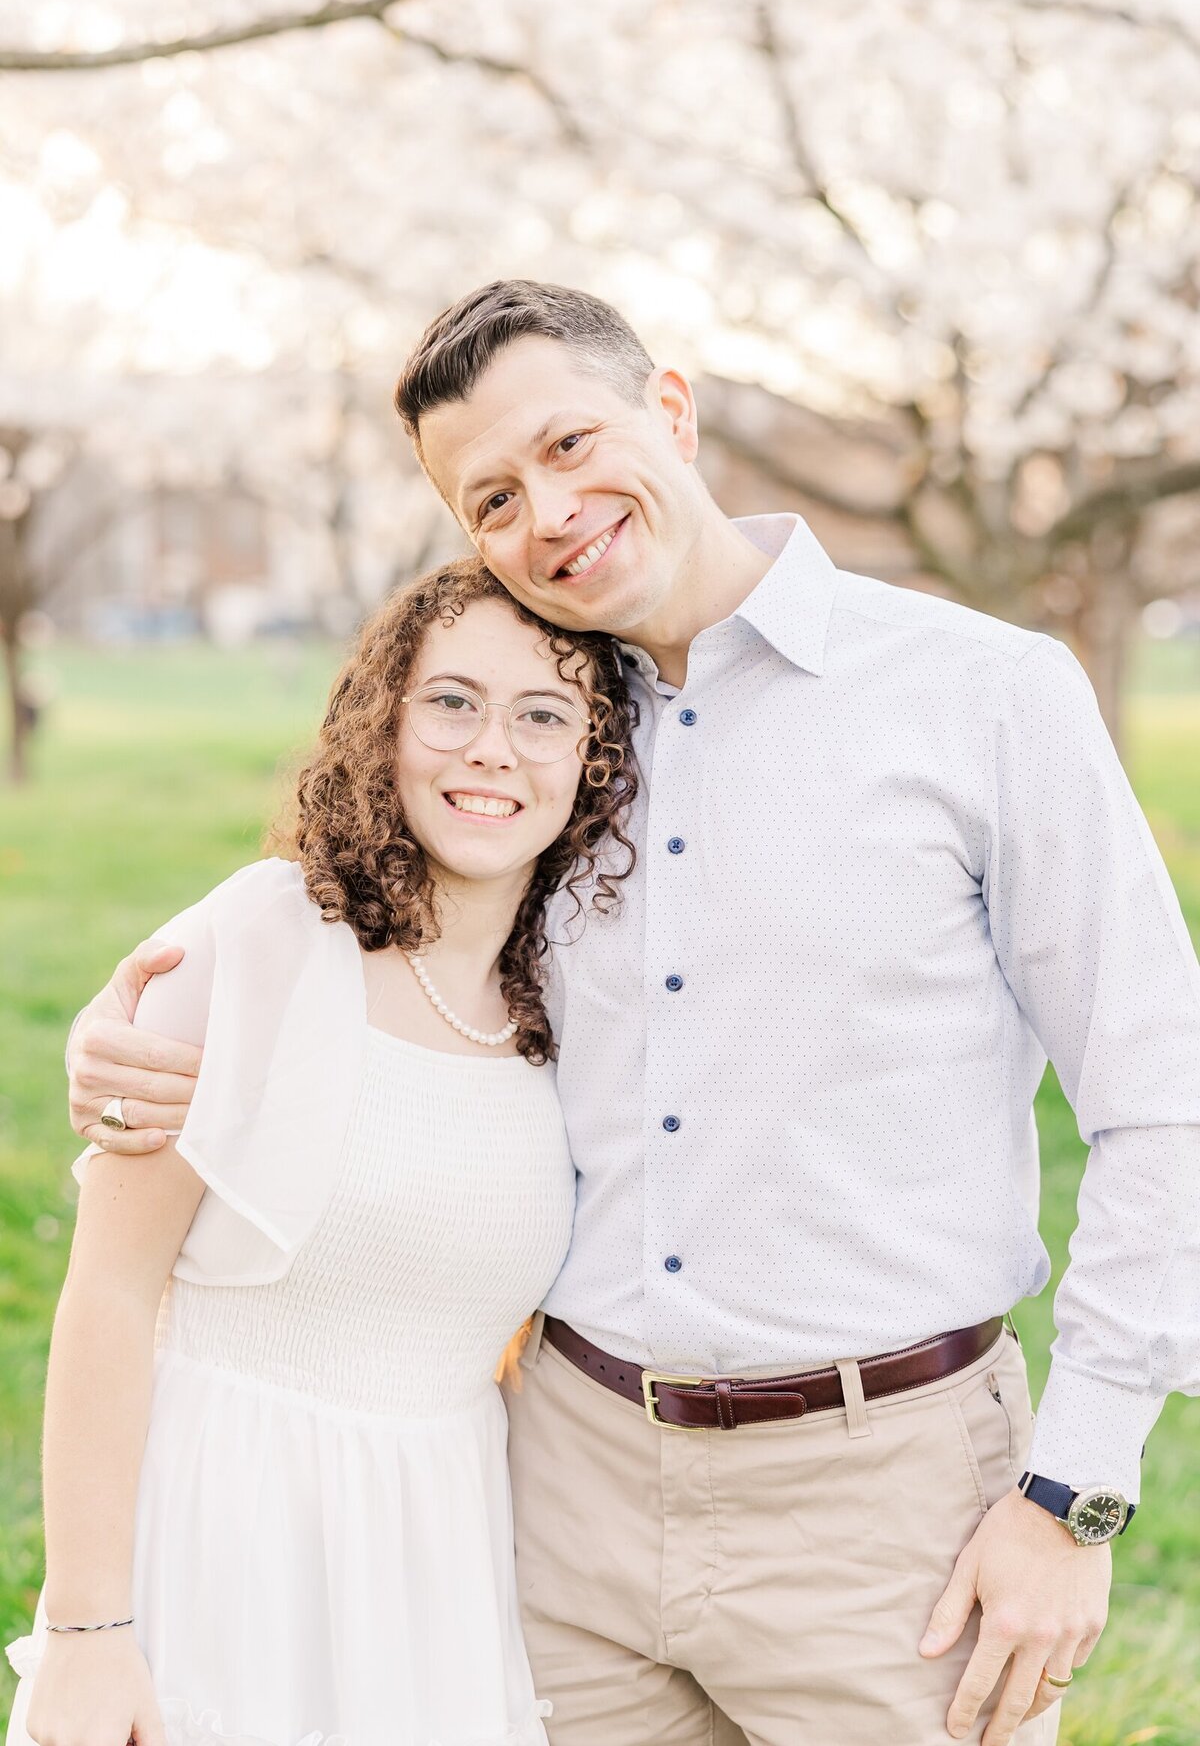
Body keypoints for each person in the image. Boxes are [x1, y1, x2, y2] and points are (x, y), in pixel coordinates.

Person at [63, 283, 1200, 1746]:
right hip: (561, 1491)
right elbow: (357, 925)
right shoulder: (538, 732)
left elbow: (1164, 1095)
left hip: (890, 1511)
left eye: (571, 443)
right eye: (492, 497)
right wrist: (139, 1025)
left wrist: (1078, 1494)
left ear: (670, 408)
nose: (549, 509)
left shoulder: (982, 697)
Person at [6, 555, 638, 1746]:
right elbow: (105, 1294)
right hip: (217, 1535)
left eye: (543, 714)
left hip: (438, 1560)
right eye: (452, 701)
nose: (492, 748)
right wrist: (90, 1631)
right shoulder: (260, 940)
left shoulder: (574, 1012)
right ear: (383, 722)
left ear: (593, 765)